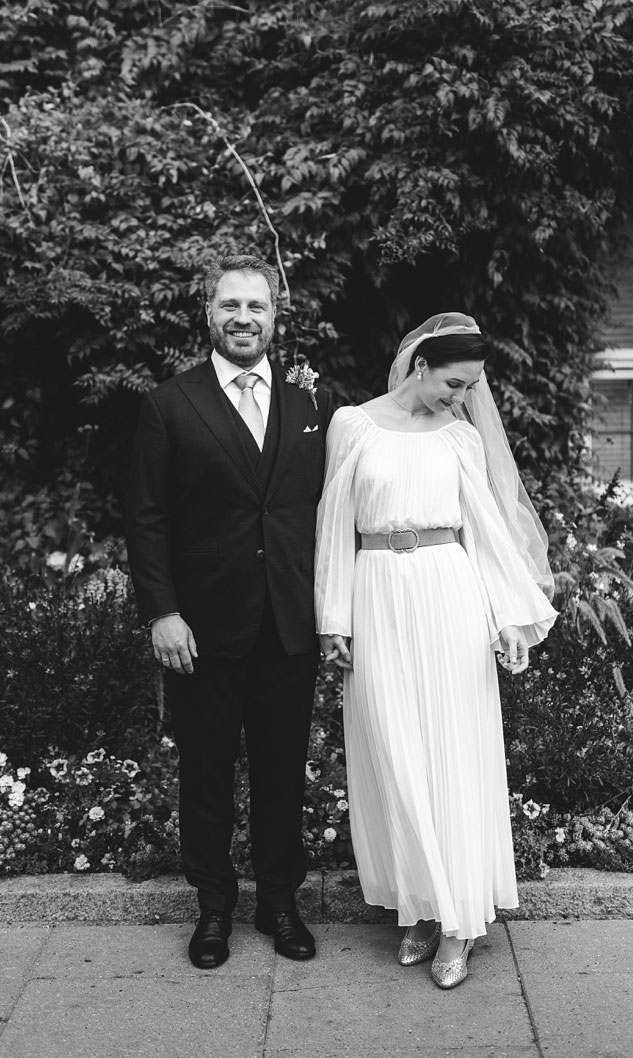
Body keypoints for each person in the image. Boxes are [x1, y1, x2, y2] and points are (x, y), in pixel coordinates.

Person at [314, 312, 557, 990]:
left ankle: (459, 925)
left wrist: (506, 616)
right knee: (393, 753)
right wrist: (333, 617)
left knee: (453, 753)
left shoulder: (460, 438)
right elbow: (332, 521)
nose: (462, 398)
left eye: (472, 386)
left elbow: (484, 531)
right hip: (375, 594)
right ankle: (420, 907)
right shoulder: (352, 425)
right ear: (419, 365)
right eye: (455, 383)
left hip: (450, 596)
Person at [125, 253, 335, 969]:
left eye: (257, 307)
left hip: (287, 627)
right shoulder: (168, 404)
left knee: (282, 775)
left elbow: (323, 516)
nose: (243, 318)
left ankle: (280, 903)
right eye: (230, 306)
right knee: (207, 775)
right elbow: (146, 519)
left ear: (276, 316)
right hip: (202, 633)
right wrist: (162, 613)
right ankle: (213, 907)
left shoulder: (311, 405)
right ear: (208, 313)